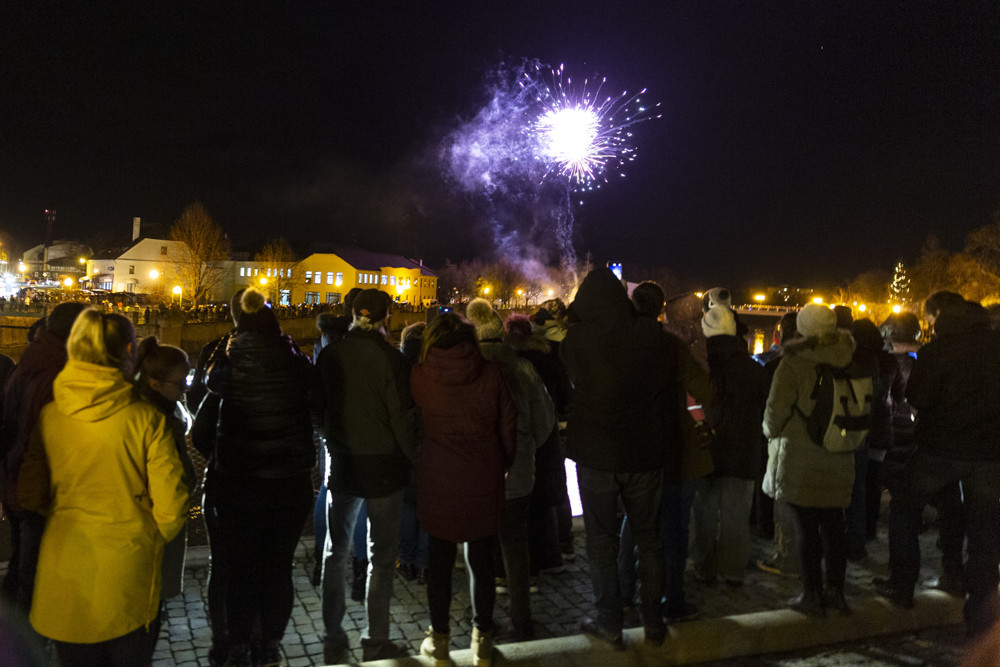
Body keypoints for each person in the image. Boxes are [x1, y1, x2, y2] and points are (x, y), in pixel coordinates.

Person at [18, 309, 189, 666]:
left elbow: (30, 493)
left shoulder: (51, 415)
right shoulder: (146, 420)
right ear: (128, 351)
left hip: (64, 568)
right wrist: (142, 537)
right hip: (127, 573)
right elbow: (172, 509)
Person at [561, 267, 680, 648]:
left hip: (596, 455)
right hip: (644, 453)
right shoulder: (653, 337)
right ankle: (653, 621)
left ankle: (609, 621)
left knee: (600, 542)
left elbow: (573, 385)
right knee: (649, 540)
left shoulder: (575, 341)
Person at [204, 288, 319, 666]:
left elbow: (208, 397)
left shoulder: (227, 360)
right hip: (289, 481)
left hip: (239, 481)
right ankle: (268, 644)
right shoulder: (295, 361)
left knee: (240, 568)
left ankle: (237, 645)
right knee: (278, 567)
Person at [878, 298, 1000, 637]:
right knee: (985, 527)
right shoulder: (996, 350)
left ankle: (902, 585)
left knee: (905, 508)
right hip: (987, 454)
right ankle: (980, 606)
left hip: (939, 450)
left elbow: (916, 397)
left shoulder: (936, 352)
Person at [317, 288, 419, 663]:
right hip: (383, 468)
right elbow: (402, 418)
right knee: (381, 556)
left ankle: (332, 634)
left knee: (334, 552)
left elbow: (316, 409)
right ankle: (376, 639)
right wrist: (417, 461)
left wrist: (332, 439)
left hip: (343, 464)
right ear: (385, 318)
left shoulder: (330, 355)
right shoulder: (393, 360)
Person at [411, 313, 516, 667]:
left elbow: (413, 426)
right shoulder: (491, 374)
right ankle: (482, 640)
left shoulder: (419, 375)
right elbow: (509, 424)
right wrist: (502, 463)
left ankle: (439, 641)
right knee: (482, 559)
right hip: (482, 476)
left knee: (439, 563)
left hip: (438, 476)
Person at [466, 298, 555, 641]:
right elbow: (544, 420)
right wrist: (526, 448)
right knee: (516, 548)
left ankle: (482, 620)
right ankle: (522, 618)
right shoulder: (522, 369)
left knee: (478, 550)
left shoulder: (466, 371)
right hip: (517, 474)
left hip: (475, 476)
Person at [762, 303, 859, 616]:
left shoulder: (792, 364)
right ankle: (837, 592)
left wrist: (769, 432)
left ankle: (812, 594)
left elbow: (775, 414)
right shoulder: (851, 359)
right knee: (835, 527)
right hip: (841, 453)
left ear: (801, 328)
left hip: (802, 459)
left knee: (807, 530)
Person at [0, 301, 87, 611]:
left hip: (16, 477)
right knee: (36, 574)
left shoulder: (31, 360)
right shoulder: (59, 372)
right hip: (40, 488)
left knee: (22, 562)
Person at [690, 306, 768, 586]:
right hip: (743, 451)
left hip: (705, 449)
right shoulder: (753, 369)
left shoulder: (699, 365)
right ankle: (733, 571)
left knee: (704, 513)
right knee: (736, 515)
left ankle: (703, 567)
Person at [188, 289, 243, 667]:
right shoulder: (288, 353)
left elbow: (197, 410)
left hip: (225, 475)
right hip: (273, 478)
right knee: (266, 563)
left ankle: (222, 639)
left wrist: (216, 454)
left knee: (222, 564)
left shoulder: (214, 350)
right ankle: (260, 641)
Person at [134, 337, 196, 656]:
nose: (184, 389)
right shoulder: (155, 419)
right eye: (180, 383)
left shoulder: (163, 409)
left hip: (156, 527)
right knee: (148, 609)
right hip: (155, 530)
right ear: (154, 382)